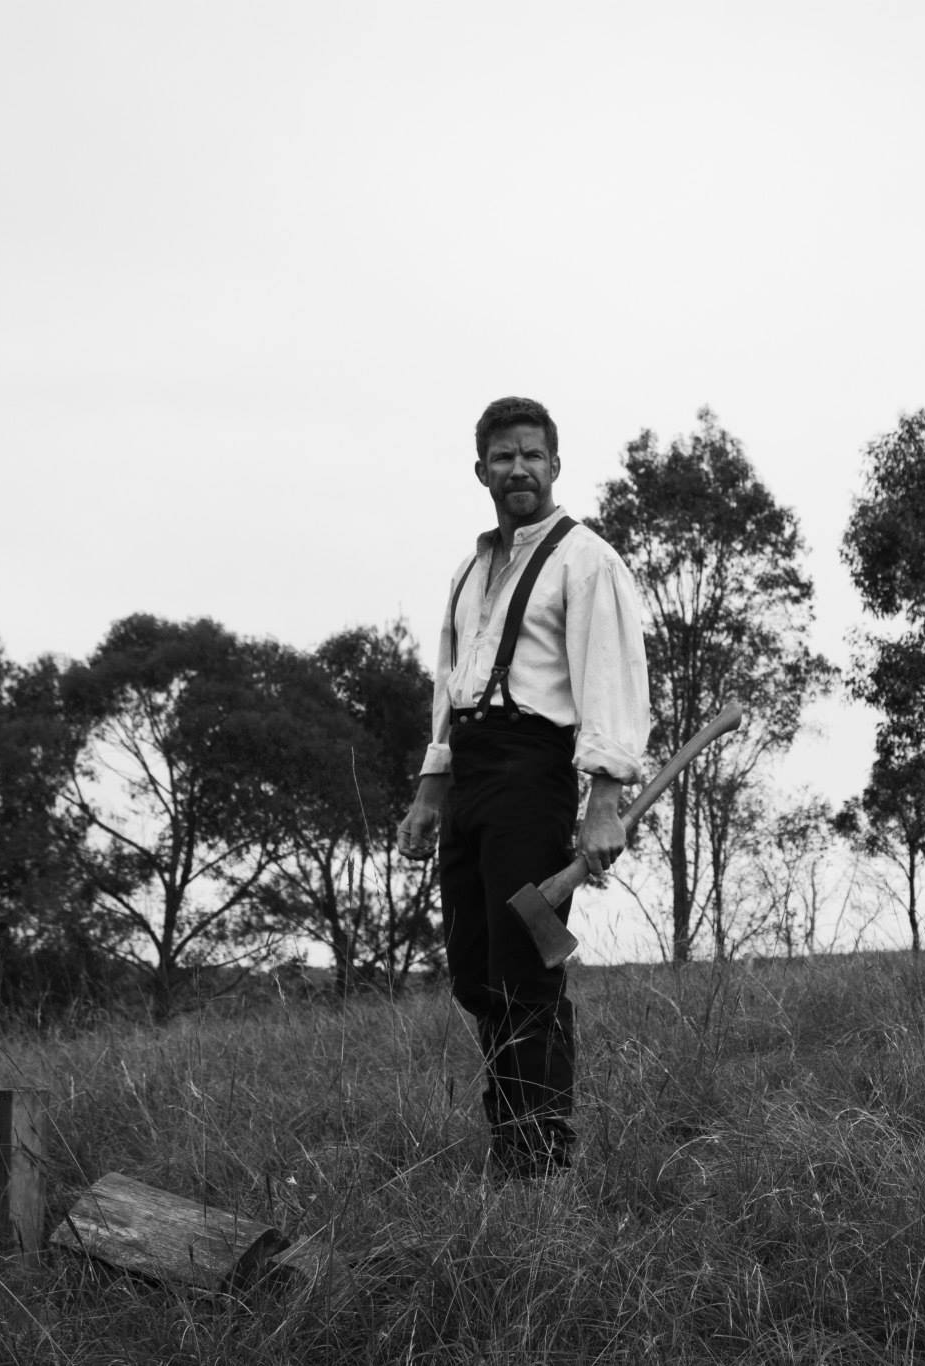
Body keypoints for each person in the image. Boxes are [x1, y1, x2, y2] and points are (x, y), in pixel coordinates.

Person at [397, 396, 650, 1179]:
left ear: (556, 465)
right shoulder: (469, 572)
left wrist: (603, 802)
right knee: (476, 974)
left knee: (527, 972)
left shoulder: (586, 560)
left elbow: (608, 677)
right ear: (481, 471)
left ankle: (542, 1160)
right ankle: (510, 1146)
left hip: (533, 775)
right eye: (503, 457)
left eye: (532, 455)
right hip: (471, 775)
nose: (519, 470)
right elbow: (452, 686)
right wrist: (431, 791)